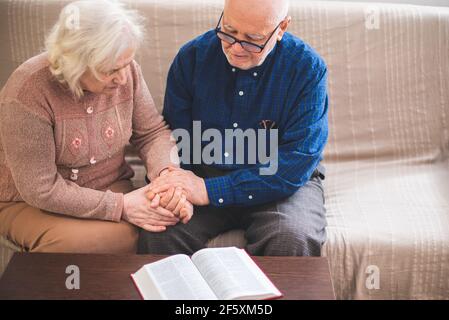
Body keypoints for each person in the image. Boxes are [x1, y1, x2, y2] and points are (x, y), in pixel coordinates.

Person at [139, 0, 329, 256]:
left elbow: (295, 163)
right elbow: (175, 140)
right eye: (228, 31)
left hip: (281, 185)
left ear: (282, 27)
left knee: (291, 237)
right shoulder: (191, 58)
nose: (236, 47)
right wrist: (172, 186)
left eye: (253, 39)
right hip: (203, 173)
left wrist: (210, 191)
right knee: (157, 231)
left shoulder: (307, 69)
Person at [0, 0, 191, 254]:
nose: (123, 78)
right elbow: (40, 189)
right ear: (75, 63)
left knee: (163, 223)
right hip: (30, 202)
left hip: (110, 185)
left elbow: (152, 133)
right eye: (110, 70)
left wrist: (166, 175)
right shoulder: (29, 91)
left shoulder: (127, 72)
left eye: (126, 64)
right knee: (101, 241)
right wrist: (121, 206)